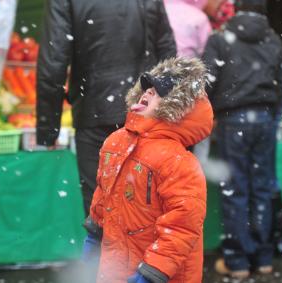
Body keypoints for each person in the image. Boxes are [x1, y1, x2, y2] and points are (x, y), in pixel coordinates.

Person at [36, 0, 177, 215]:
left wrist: (48, 127)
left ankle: (105, 247)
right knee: (146, 210)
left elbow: (53, 63)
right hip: (143, 112)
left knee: (101, 213)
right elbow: (167, 54)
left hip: (94, 111)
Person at [83, 57, 213, 283]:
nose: (148, 92)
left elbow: (182, 227)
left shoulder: (178, 161)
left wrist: (151, 273)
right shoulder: (116, 142)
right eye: (147, 89)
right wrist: (95, 232)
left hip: (163, 275)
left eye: (158, 92)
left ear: (176, 107)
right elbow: (104, 193)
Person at [202, 0, 282, 278]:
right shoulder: (273, 38)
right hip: (264, 119)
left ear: (236, 8)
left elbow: (206, 82)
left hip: (232, 121)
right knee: (262, 188)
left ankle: (237, 261)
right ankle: (263, 258)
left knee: (235, 190)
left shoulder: (219, 39)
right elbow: (281, 83)